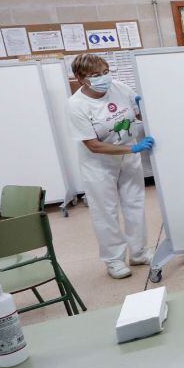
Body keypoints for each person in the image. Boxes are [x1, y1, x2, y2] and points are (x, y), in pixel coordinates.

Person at [67, 54, 155, 278]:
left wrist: (144, 107)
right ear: (80, 78)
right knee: (105, 212)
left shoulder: (118, 87)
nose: (103, 78)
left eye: (105, 72)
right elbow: (94, 146)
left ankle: (139, 252)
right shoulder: (77, 105)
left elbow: (136, 109)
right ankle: (114, 260)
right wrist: (133, 149)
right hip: (99, 164)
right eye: (95, 75)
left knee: (134, 204)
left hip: (128, 157)